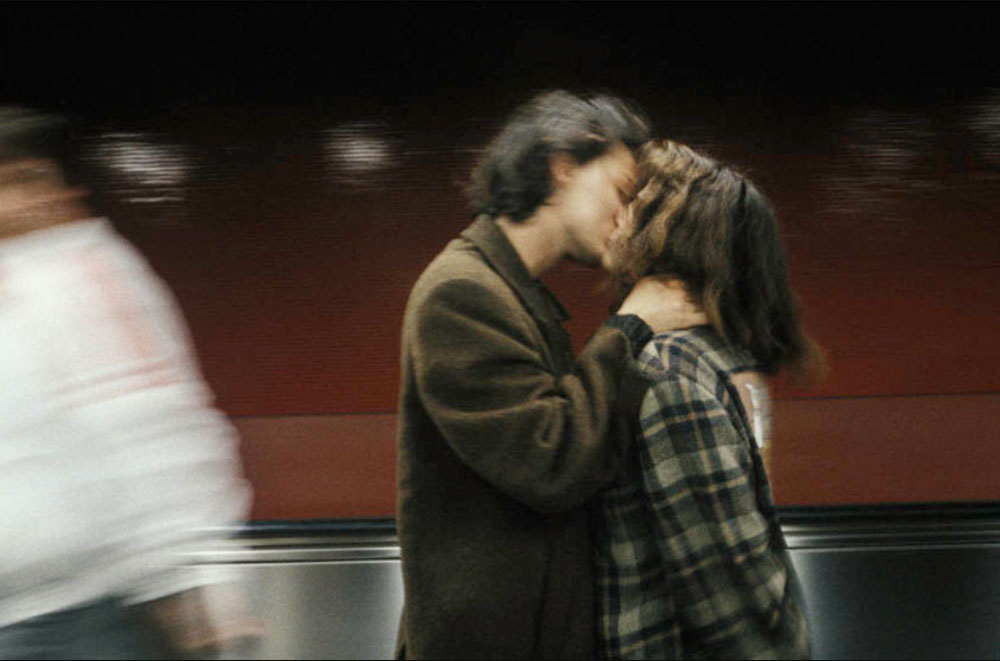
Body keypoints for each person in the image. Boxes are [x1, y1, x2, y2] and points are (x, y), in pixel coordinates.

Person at [395, 91, 708, 660]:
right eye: (621, 192)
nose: (627, 216)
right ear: (562, 168)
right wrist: (631, 326)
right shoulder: (460, 293)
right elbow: (552, 460)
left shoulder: (514, 295)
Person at [0, 107, 260, 659]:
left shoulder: (85, 275)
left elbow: (151, 427)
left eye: (22, 180)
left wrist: (185, 581)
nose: (11, 204)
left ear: (63, 191)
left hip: (86, 613)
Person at [595, 140, 825, 659]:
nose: (614, 217)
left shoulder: (668, 373)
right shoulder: (723, 359)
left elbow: (727, 598)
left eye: (634, 206)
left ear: (666, 236)